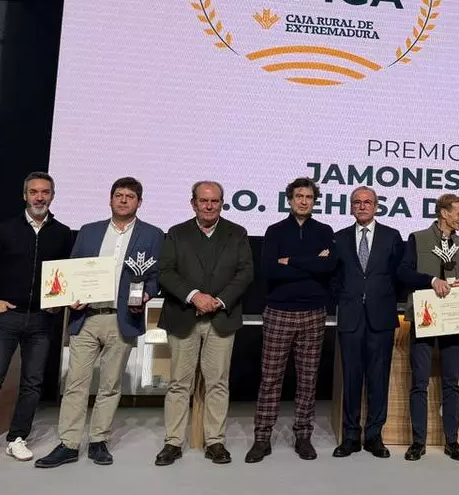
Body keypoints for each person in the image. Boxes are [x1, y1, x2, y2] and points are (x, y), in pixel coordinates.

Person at [33, 177, 164, 468]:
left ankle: (98, 441)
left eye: (130, 196)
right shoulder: (89, 231)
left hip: (122, 318)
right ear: (110, 199)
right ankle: (68, 444)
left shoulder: (153, 235)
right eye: (119, 195)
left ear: (139, 202)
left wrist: (147, 293)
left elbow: (156, 277)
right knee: (76, 383)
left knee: (110, 385)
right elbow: (73, 270)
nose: (123, 200)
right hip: (87, 317)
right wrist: (71, 296)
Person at [0, 172, 72, 470]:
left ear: (52, 196)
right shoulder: (4, 230)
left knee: (32, 383)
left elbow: (66, 273)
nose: (39, 197)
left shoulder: (63, 233)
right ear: (25, 195)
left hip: (42, 320)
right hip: (6, 318)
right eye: (34, 192)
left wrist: (60, 302)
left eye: (45, 192)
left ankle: (17, 438)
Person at [154, 181, 254, 467]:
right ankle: (173, 442)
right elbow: (165, 271)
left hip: (221, 318)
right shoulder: (176, 233)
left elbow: (246, 272)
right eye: (203, 201)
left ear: (221, 203)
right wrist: (195, 296)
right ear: (193, 203)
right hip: (183, 316)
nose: (209, 206)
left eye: (214, 201)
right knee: (178, 384)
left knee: (218, 383)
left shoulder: (237, 233)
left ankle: (215, 441)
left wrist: (218, 301)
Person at [332, 186, 431, 459]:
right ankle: (350, 436)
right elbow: (333, 276)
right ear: (351, 207)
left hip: (381, 318)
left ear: (376, 206)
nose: (362, 206)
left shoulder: (392, 236)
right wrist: (344, 296)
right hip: (351, 317)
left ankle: (374, 436)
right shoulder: (339, 238)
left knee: (378, 379)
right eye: (357, 202)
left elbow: (400, 275)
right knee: (351, 379)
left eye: (367, 202)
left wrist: (385, 298)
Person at [248, 178, 336, 463]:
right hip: (279, 311)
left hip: (313, 312)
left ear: (314, 201)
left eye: (309, 197)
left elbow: (327, 267)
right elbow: (270, 270)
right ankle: (262, 437)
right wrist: (311, 262)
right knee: (270, 378)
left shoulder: (324, 231)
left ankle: (303, 436)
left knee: (308, 379)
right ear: (289, 199)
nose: (303, 201)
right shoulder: (275, 231)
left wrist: (291, 261)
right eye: (299, 196)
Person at [401, 193, 459, 461]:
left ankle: (452, 441)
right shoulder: (417, 239)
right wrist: (431, 281)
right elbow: (403, 272)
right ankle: (418, 442)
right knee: (419, 382)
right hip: (424, 316)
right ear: (444, 213)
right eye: (458, 213)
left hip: (453, 319)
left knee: (452, 383)